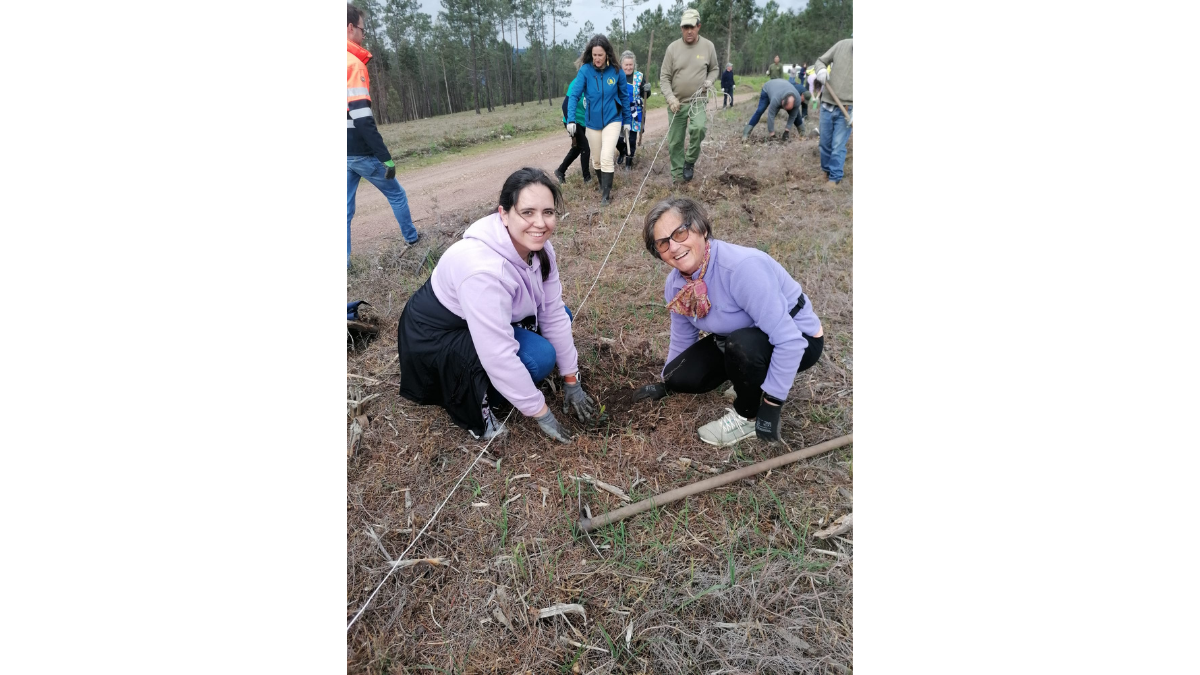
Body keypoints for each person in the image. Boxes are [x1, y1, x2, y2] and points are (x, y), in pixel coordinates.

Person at [397, 168, 602, 443]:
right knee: (539, 358)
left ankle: (510, 383)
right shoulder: (482, 271)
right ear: (503, 214)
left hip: (476, 320)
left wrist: (571, 381)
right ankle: (482, 400)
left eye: (548, 212)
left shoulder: (540, 249)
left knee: (562, 316)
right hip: (438, 339)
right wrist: (541, 412)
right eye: (527, 212)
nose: (540, 223)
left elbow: (552, 313)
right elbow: (498, 355)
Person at [632, 197, 824, 447]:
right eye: (663, 243)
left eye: (680, 232)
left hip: (799, 338)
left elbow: (790, 341)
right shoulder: (677, 285)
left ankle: (746, 416)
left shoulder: (742, 268)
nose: (674, 247)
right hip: (738, 339)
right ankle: (746, 375)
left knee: (742, 346)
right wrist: (668, 382)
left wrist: (772, 403)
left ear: (701, 228)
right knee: (682, 375)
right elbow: (682, 336)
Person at [346, 4, 418, 269]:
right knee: (396, 194)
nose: (364, 36)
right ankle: (412, 239)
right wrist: (385, 157)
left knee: (343, 211)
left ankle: (344, 263)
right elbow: (362, 117)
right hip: (360, 150)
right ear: (350, 28)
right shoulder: (352, 64)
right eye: (362, 29)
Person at [566, 34, 631, 205]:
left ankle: (606, 197)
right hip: (592, 123)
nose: (597, 58)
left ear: (607, 54)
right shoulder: (585, 71)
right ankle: (604, 186)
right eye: (594, 55)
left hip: (612, 119)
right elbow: (574, 95)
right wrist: (571, 119)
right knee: (596, 159)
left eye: (600, 55)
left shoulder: (617, 71)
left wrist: (627, 121)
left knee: (606, 155)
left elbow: (625, 98)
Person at [659, 8, 719, 183]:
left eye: (692, 27)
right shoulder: (672, 49)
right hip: (676, 103)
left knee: (699, 128)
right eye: (685, 27)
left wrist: (709, 81)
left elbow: (714, 69)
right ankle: (678, 177)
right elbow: (664, 77)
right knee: (675, 142)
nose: (689, 31)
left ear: (699, 26)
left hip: (697, 100)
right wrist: (670, 98)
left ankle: (690, 161)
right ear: (681, 29)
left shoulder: (708, 46)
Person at [814, 37, 852, 188]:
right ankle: (826, 171)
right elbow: (820, 61)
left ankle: (835, 178)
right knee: (824, 142)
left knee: (838, 145)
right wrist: (821, 69)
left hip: (849, 107)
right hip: (828, 103)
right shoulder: (842, 45)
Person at [614, 51, 651, 171]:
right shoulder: (616, 75)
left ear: (634, 64)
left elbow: (645, 95)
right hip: (619, 111)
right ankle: (623, 151)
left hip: (635, 112)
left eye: (631, 65)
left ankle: (628, 164)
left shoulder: (639, 76)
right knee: (616, 137)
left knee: (631, 138)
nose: (629, 67)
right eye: (626, 65)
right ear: (621, 65)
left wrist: (647, 90)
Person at [554, 76, 592, 185]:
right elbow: (565, 105)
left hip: (583, 121)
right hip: (572, 121)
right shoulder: (577, 83)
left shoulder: (595, 83)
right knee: (585, 147)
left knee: (578, 148)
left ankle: (560, 171)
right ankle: (587, 178)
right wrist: (571, 123)